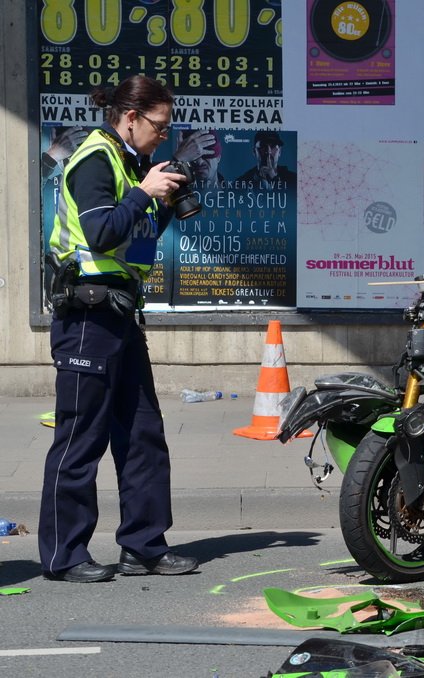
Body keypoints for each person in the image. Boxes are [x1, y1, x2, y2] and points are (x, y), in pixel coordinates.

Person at [40, 75, 199, 583]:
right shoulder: (93, 159)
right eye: (159, 126)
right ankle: (65, 555)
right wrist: (143, 191)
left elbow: (135, 243)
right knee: (80, 437)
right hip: (86, 314)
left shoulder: (129, 164)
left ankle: (144, 546)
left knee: (143, 435)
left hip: (119, 312)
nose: (163, 137)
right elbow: (101, 231)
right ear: (130, 117)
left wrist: (163, 204)